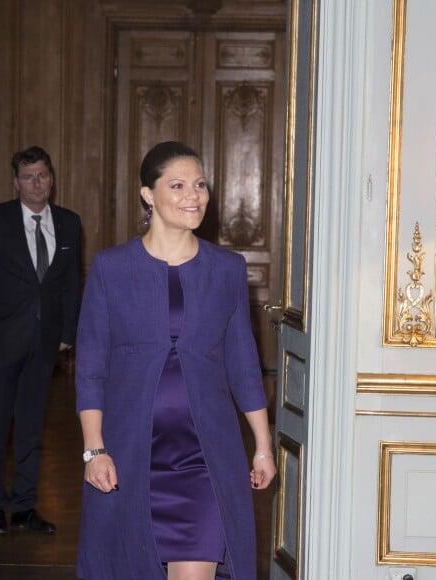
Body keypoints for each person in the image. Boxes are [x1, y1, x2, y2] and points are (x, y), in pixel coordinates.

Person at [75, 141, 276, 579]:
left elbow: (243, 364)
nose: (194, 195)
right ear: (148, 194)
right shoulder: (111, 268)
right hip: (129, 455)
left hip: (204, 456)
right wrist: (95, 450)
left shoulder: (227, 269)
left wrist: (262, 446)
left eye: (200, 185)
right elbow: (91, 367)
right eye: (179, 185)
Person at [0, 145, 82, 535]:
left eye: (43, 175)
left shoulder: (69, 223)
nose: (37, 183)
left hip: (44, 345)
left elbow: (72, 284)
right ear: (16, 183)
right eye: (29, 176)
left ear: (52, 179)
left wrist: (67, 333)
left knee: (30, 428)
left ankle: (25, 508)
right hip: (1, 341)